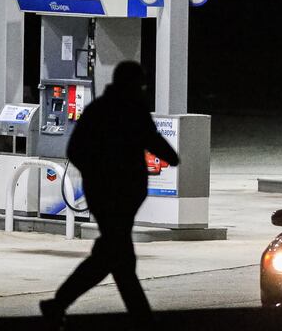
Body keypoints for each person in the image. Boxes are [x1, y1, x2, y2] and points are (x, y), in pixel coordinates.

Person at [40, 61, 180, 329]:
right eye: (140, 84)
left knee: (114, 256)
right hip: (116, 197)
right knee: (118, 258)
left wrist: (95, 174)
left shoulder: (98, 109)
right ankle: (140, 318)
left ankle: (59, 305)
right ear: (131, 84)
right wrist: (171, 157)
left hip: (106, 196)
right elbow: (151, 139)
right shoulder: (130, 110)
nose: (143, 89)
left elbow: (76, 149)